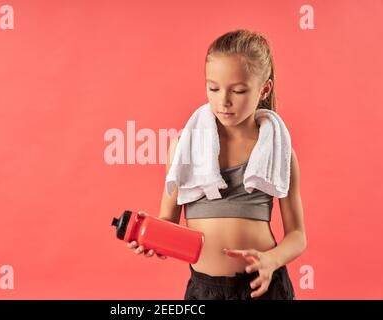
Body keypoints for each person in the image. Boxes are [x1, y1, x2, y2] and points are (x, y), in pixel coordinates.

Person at [127, 29, 306, 300]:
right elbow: (168, 219)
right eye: (213, 88)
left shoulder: (277, 151)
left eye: (238, 90)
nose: (223, 100)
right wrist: (154, 239)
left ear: (264, 89)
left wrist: (272, 260)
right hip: (204, 290)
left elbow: (297, 235)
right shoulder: (184, 146)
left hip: (262, 287)